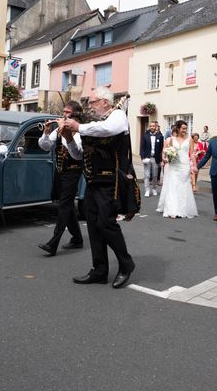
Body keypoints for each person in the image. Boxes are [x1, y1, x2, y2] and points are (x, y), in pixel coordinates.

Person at [64, 87, 135, 289]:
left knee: (106, 224)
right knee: (94, 225)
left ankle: (126, 264)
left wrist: (78, 127)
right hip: (93, 180)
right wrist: (69, 137)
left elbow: (107, 130)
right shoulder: (89, 124)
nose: (89, 106)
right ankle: (99, 270)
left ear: (105, 101)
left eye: (92, 101)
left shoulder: (118, 116)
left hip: (111, 181)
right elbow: (78, 154)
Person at [36, 101, 84, 256]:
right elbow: (45, 146)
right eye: (63, 111)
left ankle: (53, 243)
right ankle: (77, 239)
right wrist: (46, 132)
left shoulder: (80, 132)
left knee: (64, 206)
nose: (64, 115)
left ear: (75, 114)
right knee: (66, 205)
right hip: (59, 171)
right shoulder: (57, 129)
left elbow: (77, 154)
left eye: (67, 112)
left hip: (73, 172)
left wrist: (67, 136)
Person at [157, 120, 198, 219]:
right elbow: (165, 151)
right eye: (183, 128)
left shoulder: (190, 139)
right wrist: (165, 158)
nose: (185, 130)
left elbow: (192, 153)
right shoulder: (171, 139)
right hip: (174, 165)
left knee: (183, 187)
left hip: (185, 165)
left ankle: (182, 209)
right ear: (178, 129)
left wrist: (195, 166)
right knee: (173, 186)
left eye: (186, 128)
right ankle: (172, 210)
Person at [140, 121, 164, 197]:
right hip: (147, 157)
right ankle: (147, 190)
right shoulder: (145, 136)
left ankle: (154, 188)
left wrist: (161, 160)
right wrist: (143, 157)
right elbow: (142, 148)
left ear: (156, 127)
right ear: (149, 127)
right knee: (146, 175)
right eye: (151, 126)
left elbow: (161, 149)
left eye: (153, 126)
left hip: (155, 158)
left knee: (155, 175)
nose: (152, 127)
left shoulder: (160, 137)